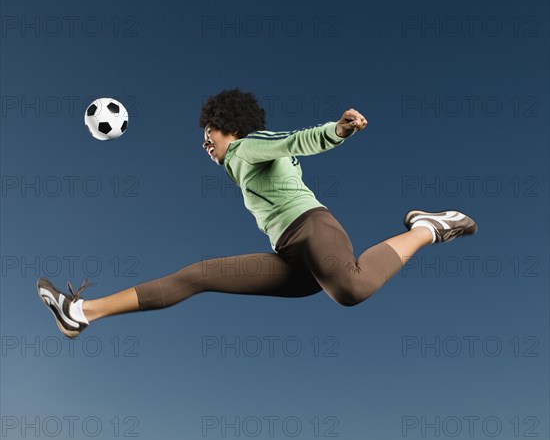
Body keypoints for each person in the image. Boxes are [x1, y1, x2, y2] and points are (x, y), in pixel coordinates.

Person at [37, 88, 477, 338]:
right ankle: (81, 313)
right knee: (197, 275)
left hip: (313, 231)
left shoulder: (249, 146)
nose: (205, 143)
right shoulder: (237, 163)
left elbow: (292, 140)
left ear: (232, 127)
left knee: (351, 288)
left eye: (210, 133)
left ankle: (426, 227)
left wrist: (336, 131)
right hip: (291, 256)